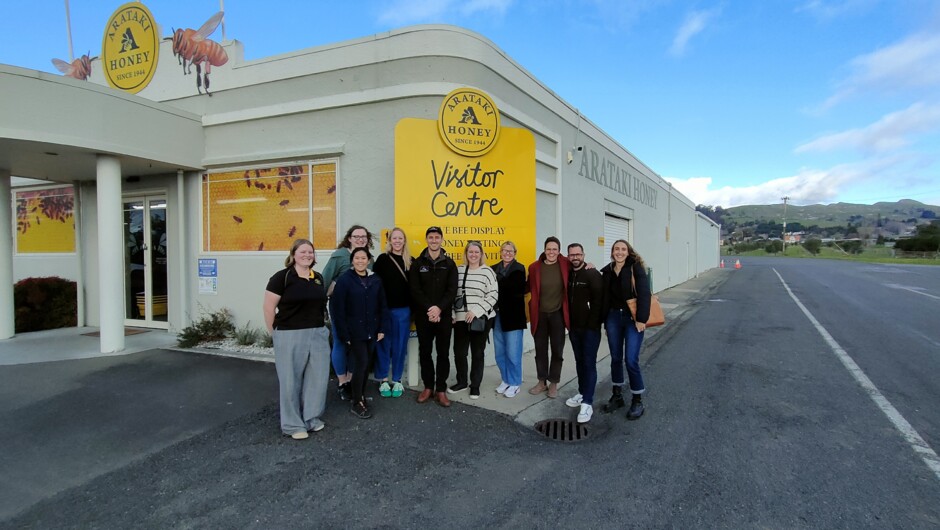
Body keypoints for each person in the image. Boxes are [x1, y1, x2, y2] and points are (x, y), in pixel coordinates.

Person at [262, 239, 330, 439]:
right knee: (290, 381)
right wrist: (273, 333)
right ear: (293, 254)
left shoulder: (317, 278)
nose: (307, 255)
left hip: (317, 333)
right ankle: (292, 425)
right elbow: (268, 308)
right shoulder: (281, 278)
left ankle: (312, 418)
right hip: (289, 334)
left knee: (317, 379)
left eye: (310, 252)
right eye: (303, 252)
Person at [330, 247, 390, 419]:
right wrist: (344, 334)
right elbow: (338, 309)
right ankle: (356, 402)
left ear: (369, 260)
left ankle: (360, 395)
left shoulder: (375, 279)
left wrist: (382, 329)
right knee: (361, 363)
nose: (360, 261)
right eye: (357, 258)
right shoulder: (345, 280)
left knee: (365, 364)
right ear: (352, 260)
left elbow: (382, 306)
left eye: (363, 258)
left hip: (372, 330)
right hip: (354, 332)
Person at [322, 225, 374, 400]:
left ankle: (352, 379)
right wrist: (322, 300)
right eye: (356, 236)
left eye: (363, 236)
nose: (360, 239)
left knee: (357, 344)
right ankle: (342, 382)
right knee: (341, 342)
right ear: (349, 238)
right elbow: (325, 279)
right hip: (341, 308)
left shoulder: (369, 258)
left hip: (362, 310)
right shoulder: (339, 256)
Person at [600, 239, 650, 420]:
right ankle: (617, 395)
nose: (619, 252)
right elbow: (604, 298)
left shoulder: (635, 268)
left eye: (623, 249)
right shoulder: (607, 271)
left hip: (632, 319)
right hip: (613, 318)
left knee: (631, 360)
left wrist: (641, 318)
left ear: (628, 252)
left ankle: (637, 401)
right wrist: (605, 321)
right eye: (616, 249)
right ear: (612, 252)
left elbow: (645, 293)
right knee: (615, 358)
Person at [409, 226, 458, 407]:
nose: (434, 240)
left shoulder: (450, 264)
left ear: (442, 239)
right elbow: (415, 290)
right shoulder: (418, 263)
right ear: (427, 239)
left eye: (437, 237)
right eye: (431, 237)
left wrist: (439, 309)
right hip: (424, 316)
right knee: (425, 352)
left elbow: (452, 291)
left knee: (443, 354)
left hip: (444, 317)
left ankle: (441, 390)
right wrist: (430, 308)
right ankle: (428, 387)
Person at [449, 241, 499, 399]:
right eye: (470, 252)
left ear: (481, 254)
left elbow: (493, 295)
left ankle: (475, 385)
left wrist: (476, 311)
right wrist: (452, 312)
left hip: (480, 319)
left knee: (478, 353)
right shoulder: (459, 270)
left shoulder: (488, 272)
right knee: (459, 353)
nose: (473, 255)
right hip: (460, 319)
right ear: (466, 253)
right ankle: (462, 381)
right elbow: (452, 293)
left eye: (476, 252)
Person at [564, 243, 604, 423]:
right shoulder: (569, 273)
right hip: (574, 328)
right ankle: (582, 393)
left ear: (583, 255)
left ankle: (587, 403)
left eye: (578, 254)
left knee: (589, 363)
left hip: (590, 329)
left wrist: (593, 325)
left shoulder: (592, 274)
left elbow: (599, 302)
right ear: (568, 256)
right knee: (580, 362)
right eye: (572, 255)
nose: (575, 257)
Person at [527, 236, 570, 398]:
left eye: (555, 249)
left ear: (559, 251)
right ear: (544, 250)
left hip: (558, 314)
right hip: (540, 314)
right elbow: (527, 286)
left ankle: (553, 382)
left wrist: (589, 265)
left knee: (557, 350)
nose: (551, 252)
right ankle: (541, 381)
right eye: (548, 249)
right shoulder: (534, 267)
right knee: (540, 349)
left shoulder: (565, 264)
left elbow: (579, 264)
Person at [372, 227, 412, 398]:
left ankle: (396, 379)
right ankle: (382, 379)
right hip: (384, 310)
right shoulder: (382, 260)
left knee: (400, 346)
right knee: (383, 345)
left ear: (404, 241)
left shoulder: (410, 261)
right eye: (394, 238)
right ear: (389, 241)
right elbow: (374, 286)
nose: (397, 241)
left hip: (403, 311)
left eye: (400, 238)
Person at [491, 241, 527, 398]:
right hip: (497, 316)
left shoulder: (519, 268)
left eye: (510, 251)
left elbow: (514, 289)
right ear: (500, 252)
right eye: (505, 250)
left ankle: (515, 382)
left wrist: (497, 285)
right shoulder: (493, 268)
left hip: (513, 317)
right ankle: (505, 379)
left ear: (515, 253)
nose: (507, 253)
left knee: (513, 352)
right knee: (500, 351)